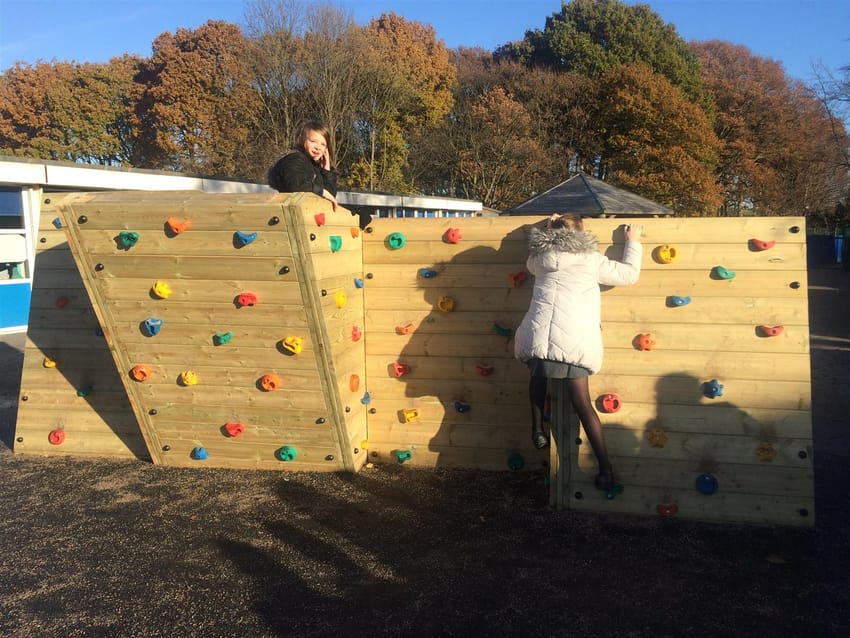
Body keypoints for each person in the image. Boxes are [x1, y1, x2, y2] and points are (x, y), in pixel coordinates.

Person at [513, 213, 643, 492]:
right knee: (582, 404)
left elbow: (531, 259)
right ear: (582, 233)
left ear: (553, 233)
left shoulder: (540, 260)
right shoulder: (591, 260)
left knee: (537, 380)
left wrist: (547, 230)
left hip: (538, 334)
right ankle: (605, 469)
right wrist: (632, 243)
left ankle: (537, 429)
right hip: (573, 340)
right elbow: (628, 275)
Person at [267, 120, 371, 229]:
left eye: (323, 144)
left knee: (362, 214)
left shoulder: (313, 166)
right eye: (313, 141)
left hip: (312, 214)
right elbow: (295, 186)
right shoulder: (294, 159)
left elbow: (330, 198)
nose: (318, 147)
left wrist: (326, 170)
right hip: (300, 217)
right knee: (359, 215)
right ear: (303, 140)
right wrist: (321, 191)